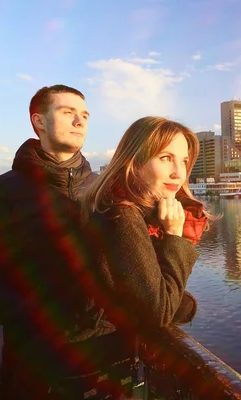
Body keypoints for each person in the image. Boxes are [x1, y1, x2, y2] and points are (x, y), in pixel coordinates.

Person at [0, 85, 113, 399]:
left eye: (84, 115)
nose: (80, 122)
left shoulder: (105, 191)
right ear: (39, 121)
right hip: (35, 368)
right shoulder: (6, 191)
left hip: (106, 366)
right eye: (67, 112)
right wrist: (39, 318)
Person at [79, 116, 209, 394]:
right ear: (134, 162)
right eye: (166, 158)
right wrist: (174, 235)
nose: (179, 172)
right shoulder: (122, 216)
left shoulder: (123, 210)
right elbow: (160, 310)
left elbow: (142, 290)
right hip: (89, 371)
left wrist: (177, 301)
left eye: (184, 161)